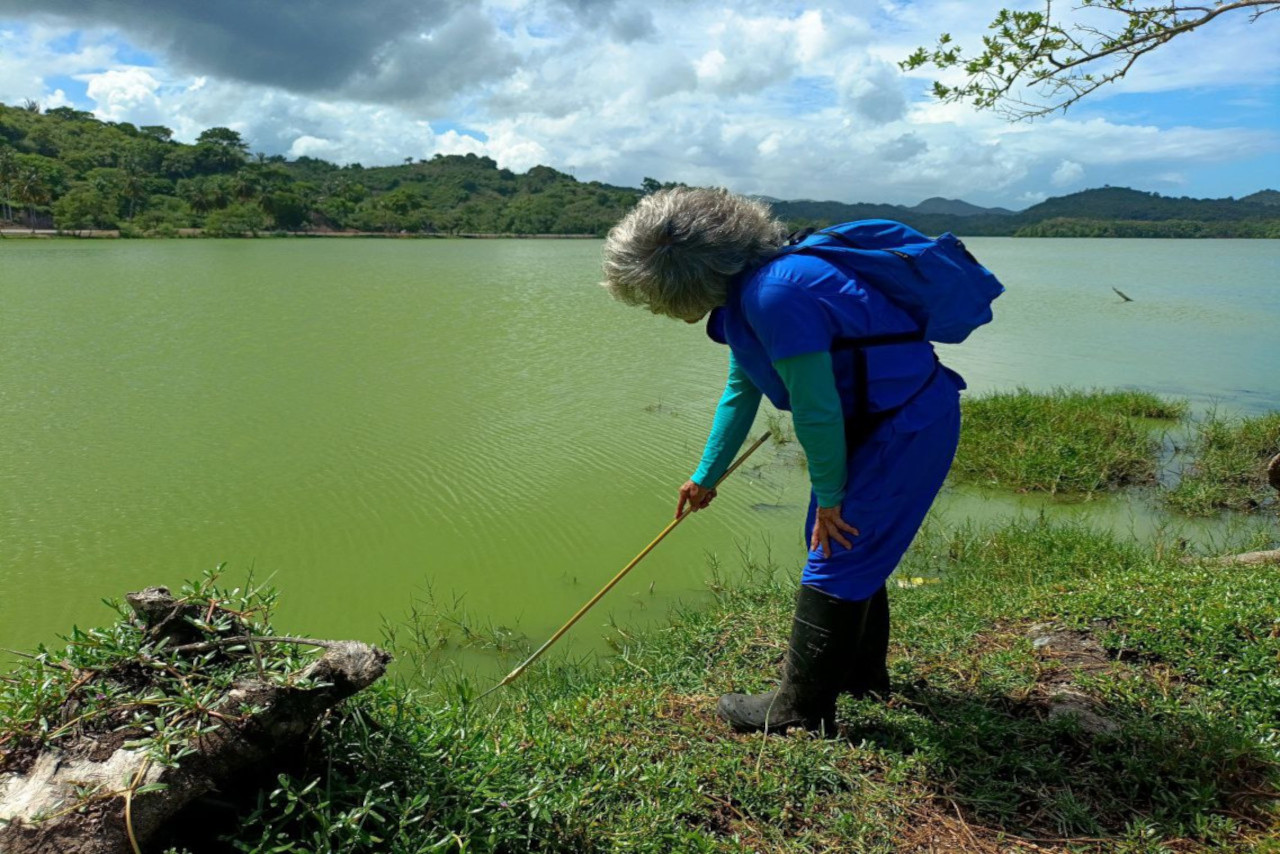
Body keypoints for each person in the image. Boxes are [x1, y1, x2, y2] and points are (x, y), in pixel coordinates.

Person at [601, 187, 965, 735]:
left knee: (837, 549)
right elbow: (741, 388)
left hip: (904, 426)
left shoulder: (777, 295)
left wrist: (833, 499)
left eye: (653, 294)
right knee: (841, 545)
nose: (656, 307)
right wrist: (705, 477)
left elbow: (816, 410)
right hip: (870, 424)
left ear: (682, 279)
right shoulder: (752, 292)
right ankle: (861, 676)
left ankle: (800, 710)